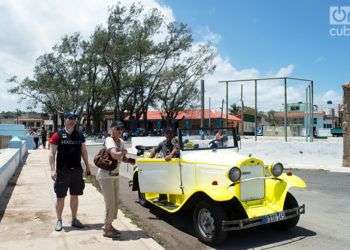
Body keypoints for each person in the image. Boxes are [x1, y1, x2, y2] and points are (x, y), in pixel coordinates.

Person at [49, 112, 91, 232]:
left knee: (75, 196)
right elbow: (51, 153)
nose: (72, 120)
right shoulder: (58, 135)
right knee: (60, 197)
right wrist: (52, 170)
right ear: (65, 120)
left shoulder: (80, 135)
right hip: (62, 171)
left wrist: (87, 166)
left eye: (74, 119)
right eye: (70, 118)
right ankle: (59, 220)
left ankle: (74, 219)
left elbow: (84, 151)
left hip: (77, 170)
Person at [96, 121, 133, 238]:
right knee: (110, 203)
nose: (120, 131)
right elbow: (115, 155)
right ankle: (107, 229)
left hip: (115, 175)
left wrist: (131, 160)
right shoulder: (109, 140)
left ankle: (109, 225)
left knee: (115, 203)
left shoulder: (121, 141)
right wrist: (124, 152)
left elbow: (121, 157)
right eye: (117, 128)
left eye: (121, 129)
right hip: (105, 176)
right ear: (112, 129)